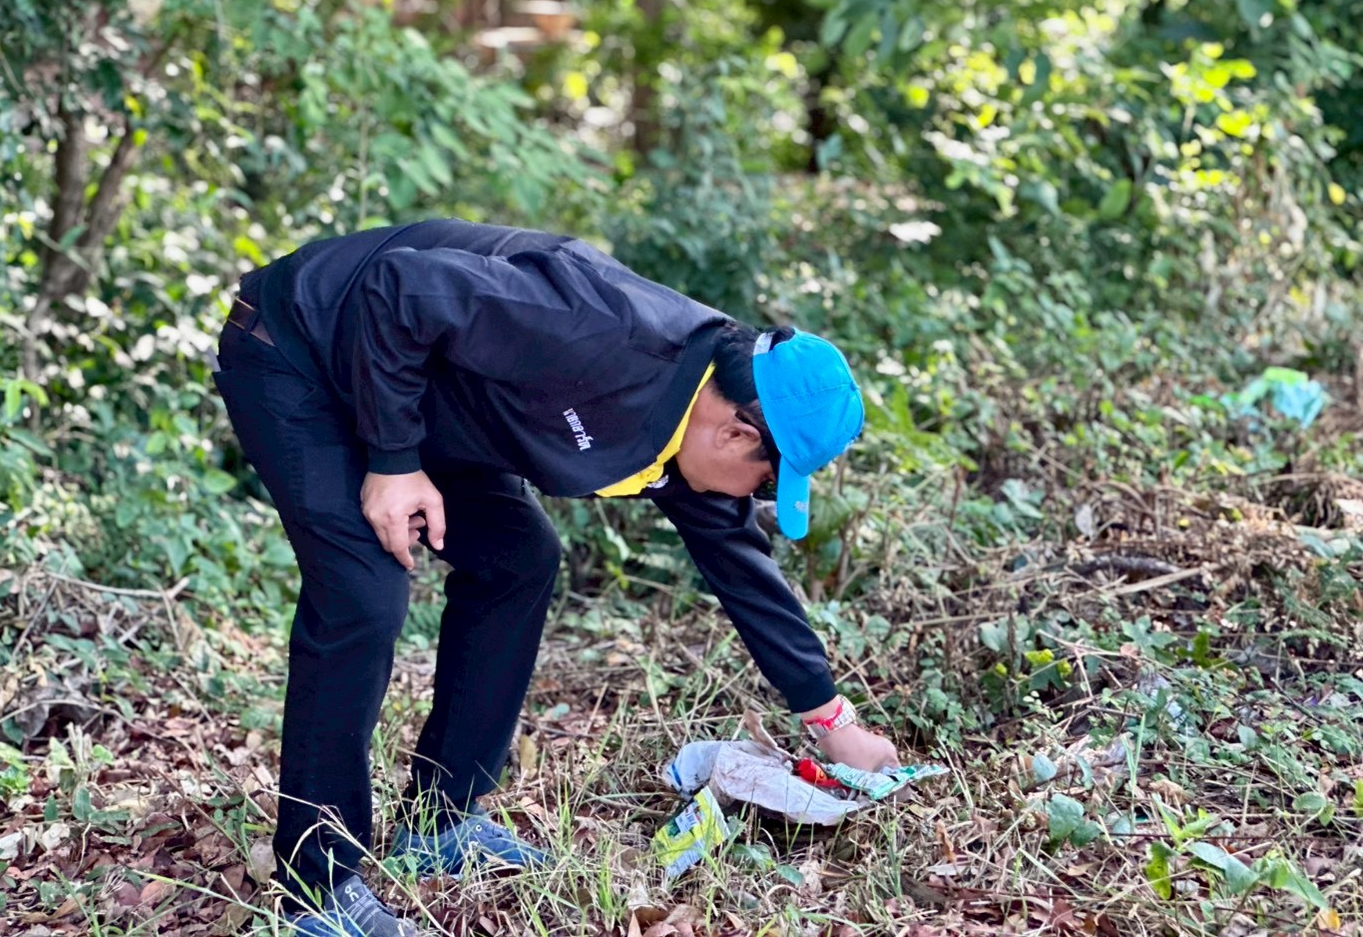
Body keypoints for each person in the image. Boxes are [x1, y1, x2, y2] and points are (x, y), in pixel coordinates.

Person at [212, 220, 899, 936]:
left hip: (422, 395)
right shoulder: (597, 328)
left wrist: (832, 721)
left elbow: (744, 572)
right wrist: (393, 462)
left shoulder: (694, 422)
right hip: (302, 348)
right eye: (767, 480)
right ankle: (316, 890)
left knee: (518, 558)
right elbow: (398, 288)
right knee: (363, 596)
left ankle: (440, 823)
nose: (757, 497)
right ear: (736, 434)